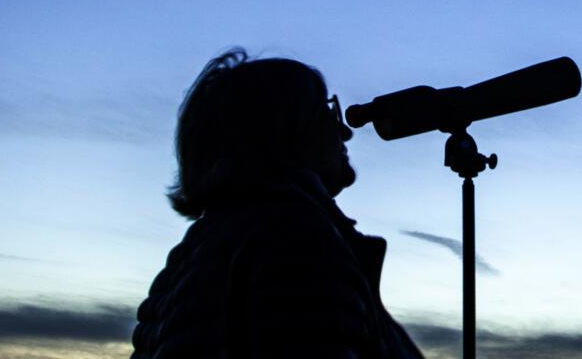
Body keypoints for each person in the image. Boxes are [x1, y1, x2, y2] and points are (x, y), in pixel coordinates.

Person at [131, 49, 424, 359]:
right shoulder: (296, 239)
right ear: (285, 131)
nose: (345, 132)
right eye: (326, 112)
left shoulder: (202, 247)